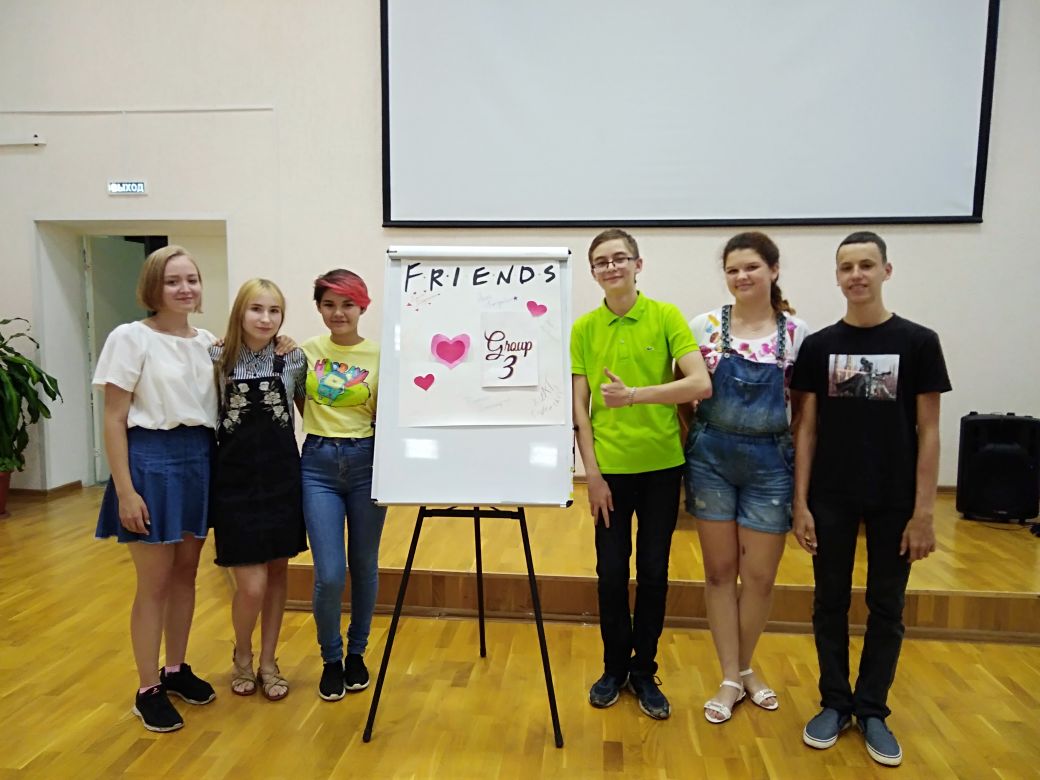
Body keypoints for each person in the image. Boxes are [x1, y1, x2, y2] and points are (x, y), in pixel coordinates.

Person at [790, 231, 950, 767]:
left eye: (866, 265)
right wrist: (801, 503)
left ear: (886, 271)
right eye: (846, 267)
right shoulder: (819, 346)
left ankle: (873, 709)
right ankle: (835, 703)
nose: (856, 275)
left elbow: (929, 431)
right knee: (829, 601)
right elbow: (806, 429)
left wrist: (924, 512)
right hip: (831, 496)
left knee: (887, 605)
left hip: (895, 500)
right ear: (837, 277)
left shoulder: (919, 342)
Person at [571, 228, 712, 720]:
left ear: (638, 264)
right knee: (611, 574)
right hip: (609, 474)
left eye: (619, 258)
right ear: (593, 273)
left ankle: (644, 671)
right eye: (601, 262)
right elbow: (580, 408)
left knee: (654, 573)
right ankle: (613, 669)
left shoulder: (666, 316)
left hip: (662, 470)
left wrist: (634, 396)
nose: (611, 267)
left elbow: (700, 383)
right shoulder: (584, 328)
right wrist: (592, 475)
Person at [682, 232, 810, 724]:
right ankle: (730, 676)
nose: (742, 276)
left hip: (771, 467)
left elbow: (804, 413)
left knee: (759, 577)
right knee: (719, 573)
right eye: (733, 269)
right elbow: (684, 395)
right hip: (711, 461)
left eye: (752, 267)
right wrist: (699, 441)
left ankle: (744, 667)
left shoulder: (797, 333)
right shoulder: (704, 326)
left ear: (773, 270)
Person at [94, 245, 218, 733]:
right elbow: (114, 418)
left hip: (199, 459)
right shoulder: (130, 337)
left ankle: (175, 669)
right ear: (153, 287)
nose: (185, 288)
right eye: (172, 281)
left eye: (192, 279)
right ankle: (147, 688)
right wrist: (126, 491)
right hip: (150, 461)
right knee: (155, 583)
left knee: (186, 574)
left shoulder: (208, 342)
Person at [209, 279, 308, 702]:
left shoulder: (294, 358)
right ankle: (243, 654)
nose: (265, 319)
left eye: (274, 311)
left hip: (282, 477)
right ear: (240, 311)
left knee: (278, 572)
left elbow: (310, 412)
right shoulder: (215, 357)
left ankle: (269, 662)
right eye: (256, 309)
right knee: (250, 585)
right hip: (234, 481)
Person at [300, 269, 386, 701]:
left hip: (367, 461)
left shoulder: (381, 355)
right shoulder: (304, 352)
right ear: (318, 307)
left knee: (364, 565)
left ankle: (356, 654)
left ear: (362, 306)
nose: (338, 313)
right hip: (317, 464)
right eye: (329, 304)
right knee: (330, 573)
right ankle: (330, 658)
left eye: (348, 304)